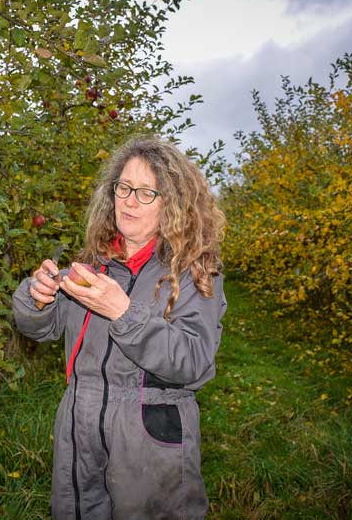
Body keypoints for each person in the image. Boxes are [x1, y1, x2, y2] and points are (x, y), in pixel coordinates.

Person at [12, 136, 227, 519]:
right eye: (124, 188)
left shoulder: (193, 272)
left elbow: (194, 361)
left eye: (146, 192)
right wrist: (38, 298)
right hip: (80, 434)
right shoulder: (94, 265)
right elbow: (40, 327)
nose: (129, 200)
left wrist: (123, 313)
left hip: (150, 444)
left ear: (172, 203)